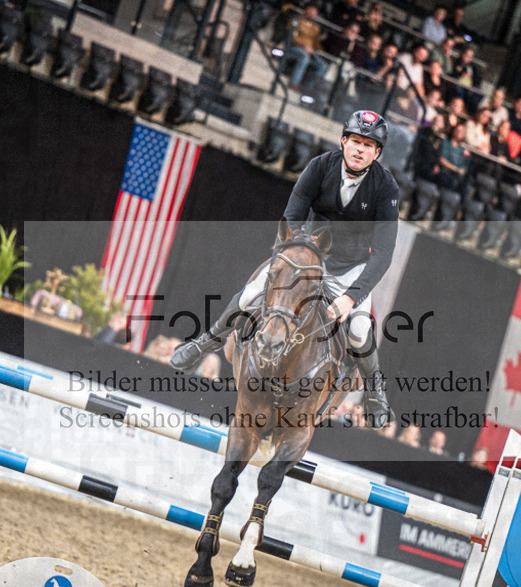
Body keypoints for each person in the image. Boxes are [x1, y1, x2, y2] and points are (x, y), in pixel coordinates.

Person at [171, 111, 400, 428]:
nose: (361, 149)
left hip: (351, 269)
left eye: (369, 145)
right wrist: (301, 251)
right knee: (251, 293)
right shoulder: (320, 166)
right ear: (344, 141)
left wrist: (351, 297)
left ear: (377, 153)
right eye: (356, 141)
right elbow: (293, 214)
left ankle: (375, 393)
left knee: (361, 331)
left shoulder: (385, 188)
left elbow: (385, 253)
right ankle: (205, 342)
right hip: (309, 256)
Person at [282, 4, 328, 91]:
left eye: (315, 11)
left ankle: (308, 89)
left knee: (323, 65)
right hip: (294, 48)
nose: (312, 13)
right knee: (304, 57)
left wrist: (320, 52)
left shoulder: (316, 27)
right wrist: (304, 46)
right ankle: (294, 83)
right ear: (306, 10)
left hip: (310, 51)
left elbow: (316, 43)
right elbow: (292, 37)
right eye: (311, 10)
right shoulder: (296, 20)